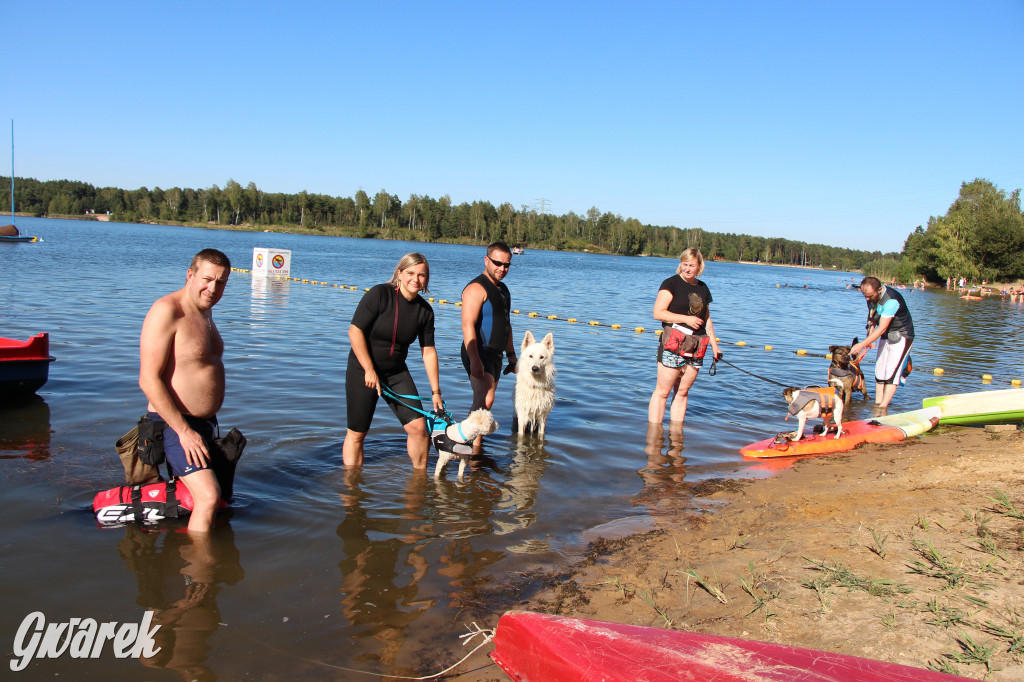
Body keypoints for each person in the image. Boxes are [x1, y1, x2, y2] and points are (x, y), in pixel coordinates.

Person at [139, 248, 232, 534]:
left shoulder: (205, 311)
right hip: (175, 424)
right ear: (189, 275)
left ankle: (180, 550)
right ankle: (200, 573)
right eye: (207, 279)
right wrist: (183, 431)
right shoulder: (167, 311)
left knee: (214, 500)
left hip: (202, 425)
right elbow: (148, 379)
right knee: (208, 498)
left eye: (220, 282)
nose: (213, 288)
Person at [343, 253, 442, 469]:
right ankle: (351, 489)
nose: (416, 279)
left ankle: (419, 482)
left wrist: (436, 392)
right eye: (410, 273)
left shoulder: (425, 312)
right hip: (363, 370)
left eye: (422, 275)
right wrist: (369, 370)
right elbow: (355, 332)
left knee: (418, 428)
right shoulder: (380, 294)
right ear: (399, 273)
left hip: (396, 373)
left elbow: (428, 351)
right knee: (358, 434)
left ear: (427, 279)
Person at [648, 248, 722, 424]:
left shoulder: (703, 288)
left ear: (699, 267)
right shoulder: (670, 283)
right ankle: (654, 435)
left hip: (697, 346)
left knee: (682, 392)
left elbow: (707, 319)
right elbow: (658, 313)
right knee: (663, 392)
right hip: (672, 344)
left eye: (692, 265)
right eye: (684, 264)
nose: (687, 268)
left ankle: (676, 432)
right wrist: (686, 319)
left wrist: (714, 346)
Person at [461, 241, 517, 425]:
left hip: (496, 354)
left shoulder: (503, 290)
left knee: (485, 405)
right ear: (486, 260)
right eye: (497, 263)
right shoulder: (476, 289)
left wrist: (512, 357)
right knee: (484, 401)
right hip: (478, 350)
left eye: (506, 265)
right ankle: (462, 442)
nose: (502, 268)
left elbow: (506, 325)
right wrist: (475, 360)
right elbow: (467, 324)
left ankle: (474, 448)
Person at [851, 276, 914, 409]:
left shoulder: (891, 300)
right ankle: (877, 405)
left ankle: (883, 409)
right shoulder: (871, 297)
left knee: (891, 373)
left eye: (869, 296)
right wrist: (868, 336)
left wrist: (861, 345)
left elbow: (882, 327)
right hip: (885, 335)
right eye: (864, 295)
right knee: (879, 372)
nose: (867, 299)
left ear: (879, 290)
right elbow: (873, 319)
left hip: (902, 336)